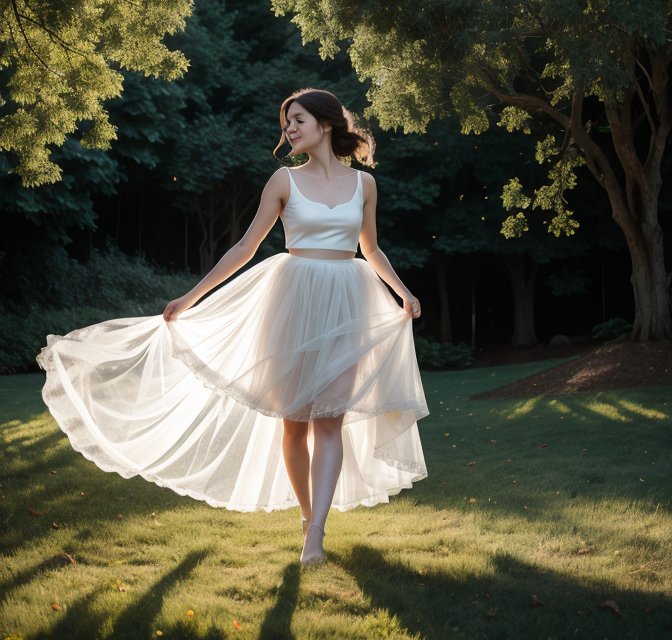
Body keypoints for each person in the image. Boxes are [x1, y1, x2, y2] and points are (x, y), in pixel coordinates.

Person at [37, 88, 428, 568]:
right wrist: (190, 296)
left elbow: (371, 248)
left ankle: (317, 533)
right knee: (294, 421)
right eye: (286, 123)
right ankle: (307, 515)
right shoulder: (283, 180)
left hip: (348, 302)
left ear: (325, 123)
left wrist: (402, 292)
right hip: (292, 299)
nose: (289, 130)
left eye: (298, 120)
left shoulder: (365, 185)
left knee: (331, 419)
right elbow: (244, 248)